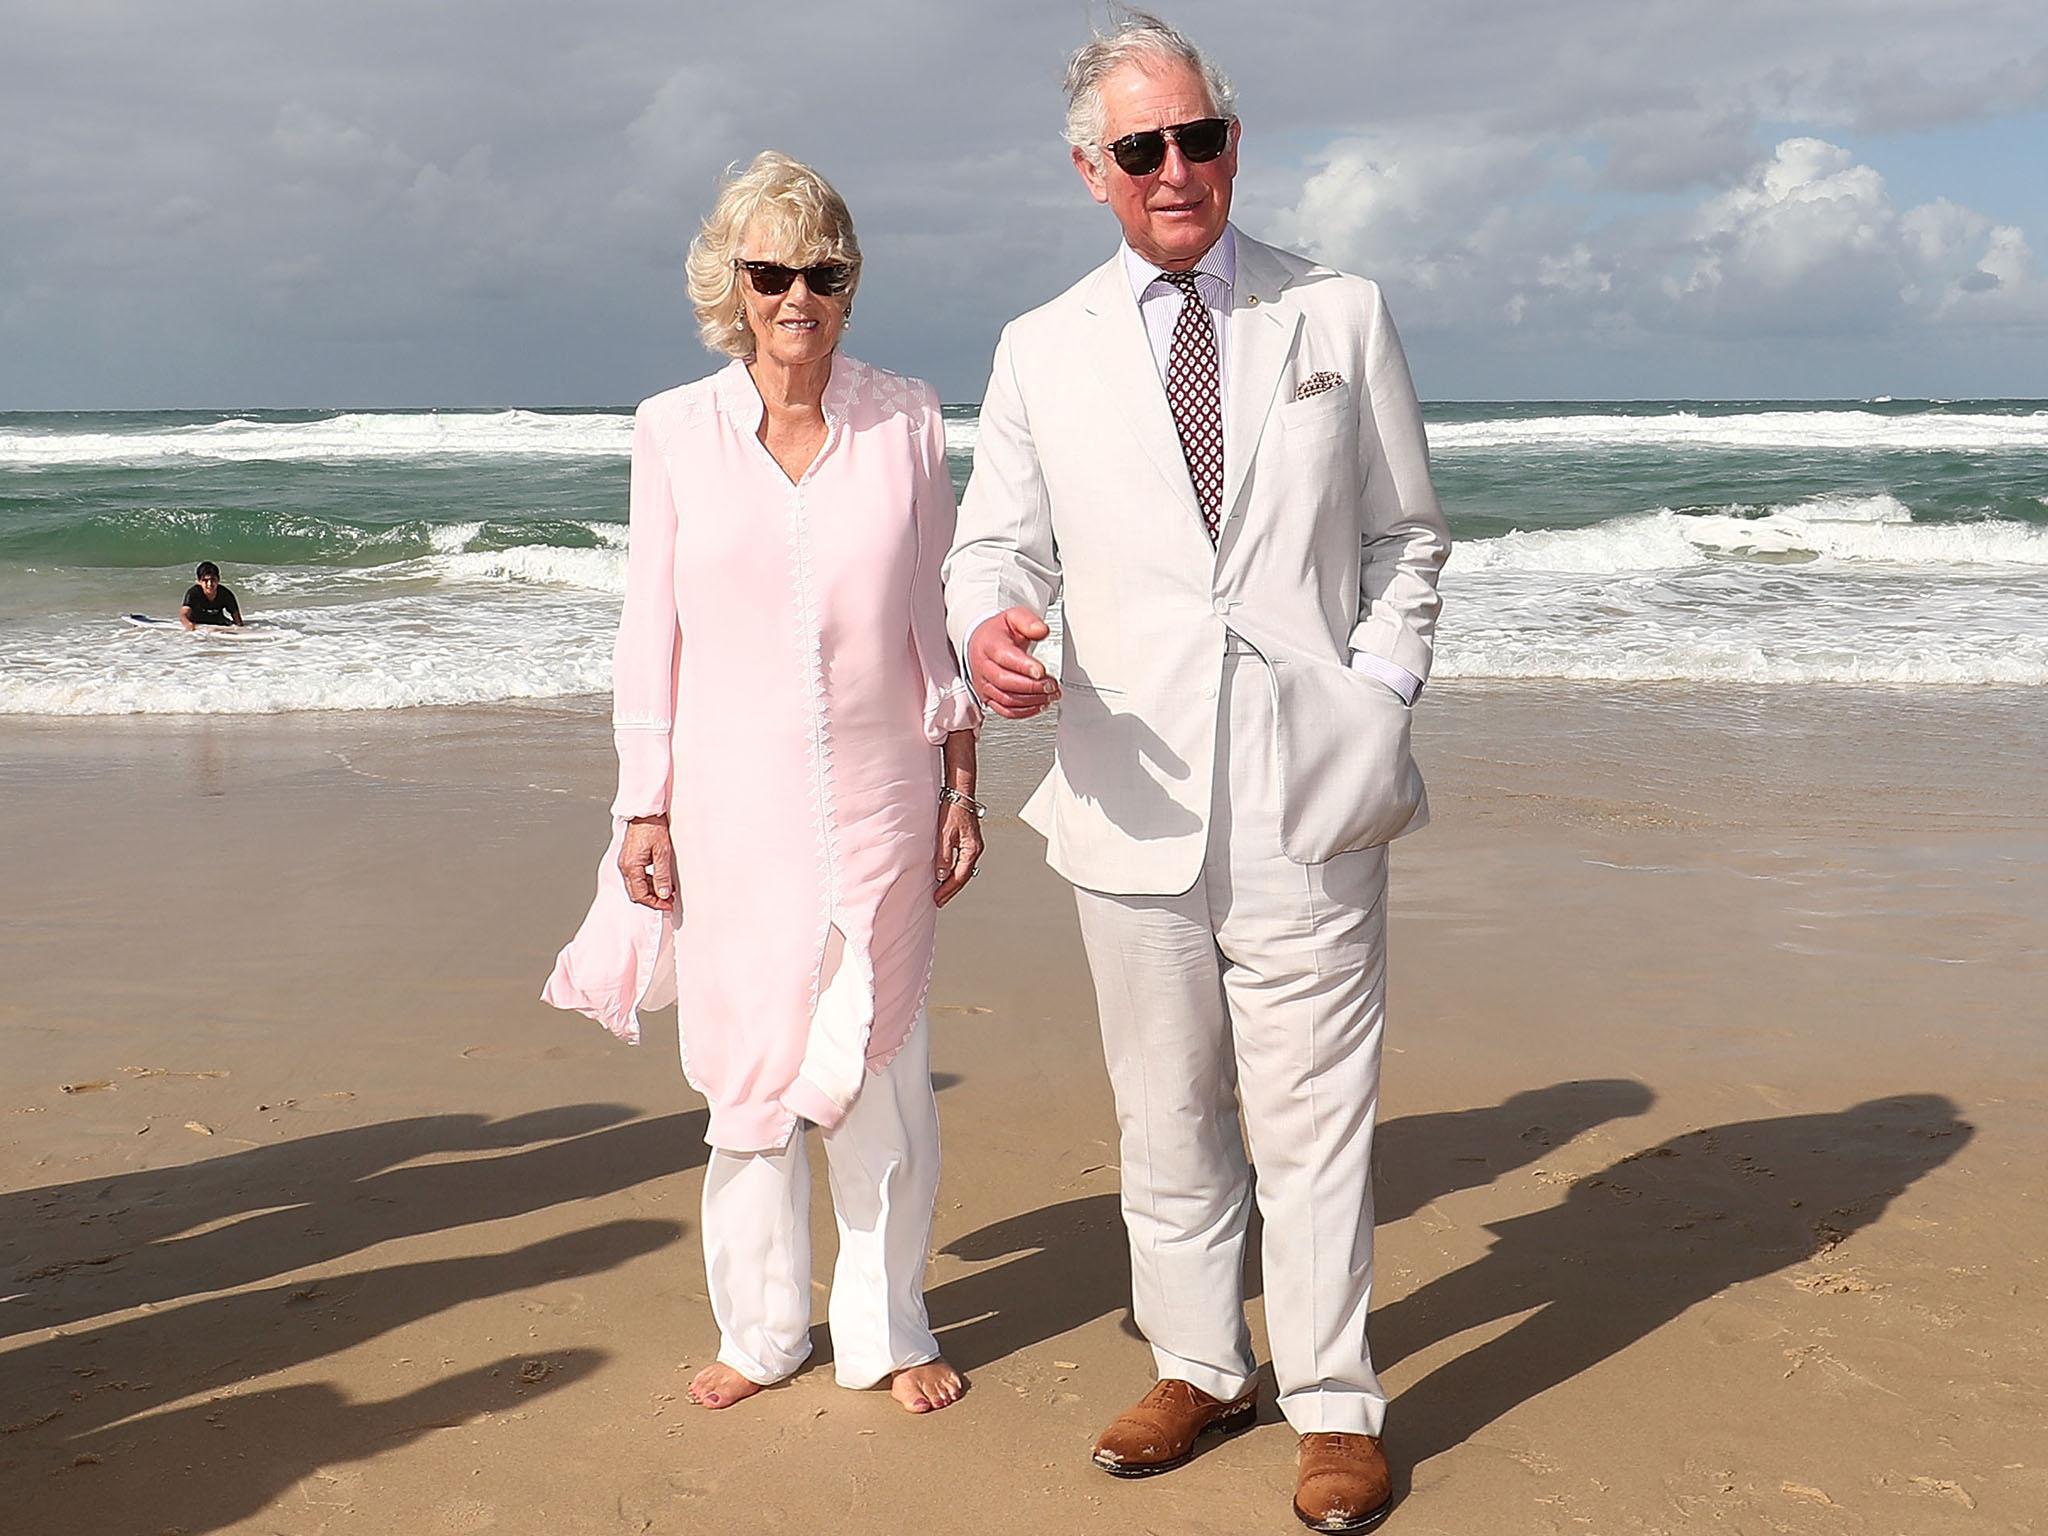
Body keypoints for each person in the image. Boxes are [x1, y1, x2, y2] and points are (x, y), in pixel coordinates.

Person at [944, 13, 1450, 1531]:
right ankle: (1195, 1363)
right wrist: (987, 632)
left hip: (1315, 788)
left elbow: (1407, 539)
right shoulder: (1043, 346)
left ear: (1232, 142)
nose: (1180, 170)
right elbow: (992, 547)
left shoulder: (1339, 312)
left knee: (1313, 1118)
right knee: (1165, 1109)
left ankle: (1334, 1401)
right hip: (1129, 783)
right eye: (1145, 148)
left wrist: (1378, 693)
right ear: (1092, 170)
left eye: (1202, 138)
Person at [544, 152, 983, 1417]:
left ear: (850, 289)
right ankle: (760, 1330)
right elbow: (649, 632)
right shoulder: (672, 429)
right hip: (730, 808)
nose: (799, 295)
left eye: (824, 273)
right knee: (747, 1068)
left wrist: (961, 778)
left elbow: (934, 610)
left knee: (879, 1063)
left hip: (886, 794)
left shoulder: (904, 417)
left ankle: (888, 1329)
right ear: (731, 286)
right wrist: (641, 802)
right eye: (772, 271)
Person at [179, 562, 243, 629]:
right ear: (199, 581)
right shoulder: (193, 594)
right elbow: (183, 615)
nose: (209, 584)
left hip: (218, 625)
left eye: (213, 580)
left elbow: (238, 621)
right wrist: (191, 627)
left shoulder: (225, 594)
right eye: (205, 580)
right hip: (199, 626)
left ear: (218, 579)